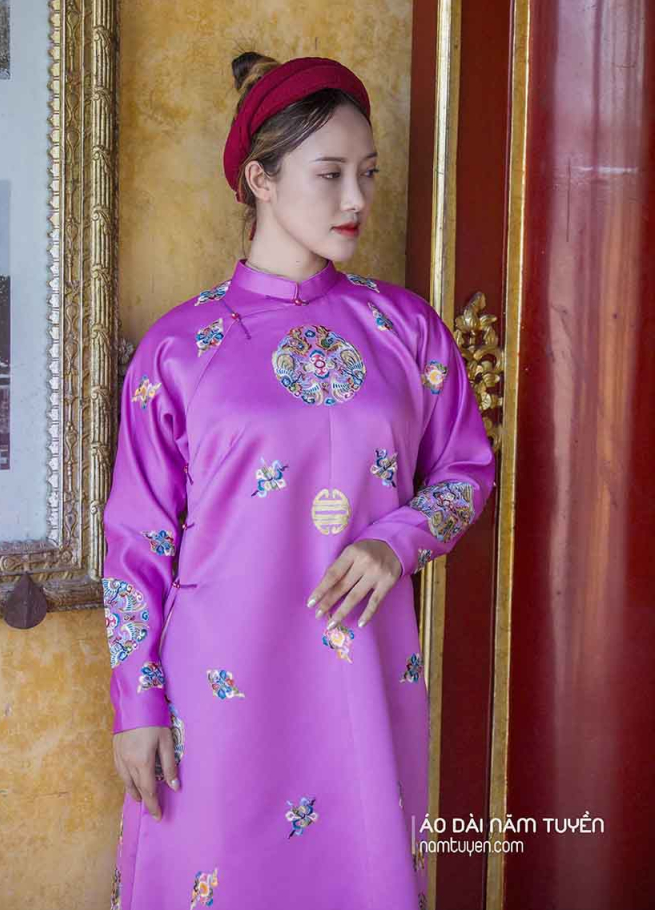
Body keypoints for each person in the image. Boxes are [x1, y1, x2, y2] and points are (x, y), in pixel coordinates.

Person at [103, 52, 495, 910]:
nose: (357, 199)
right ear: (262, 179)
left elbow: (466, 470)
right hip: (217, 688)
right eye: (330, 174)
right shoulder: (180, 349)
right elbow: (137, 538)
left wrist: (397, 542)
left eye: (368, 173)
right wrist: (138, 704)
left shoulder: (405, 330)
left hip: (362, 678)